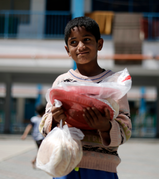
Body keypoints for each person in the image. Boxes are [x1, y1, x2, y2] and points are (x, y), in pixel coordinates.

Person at [39, 16, 132, 179]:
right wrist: (54, 118)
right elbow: (44, 123)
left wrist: (105, 126)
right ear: (67, 49)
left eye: (87, 39)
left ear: (100, 44)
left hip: (102, 168)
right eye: (73, 42)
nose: (80, 46)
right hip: (65, 164)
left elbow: (126, 127)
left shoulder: (114, 83)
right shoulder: (62, 82)